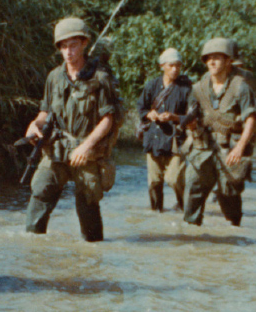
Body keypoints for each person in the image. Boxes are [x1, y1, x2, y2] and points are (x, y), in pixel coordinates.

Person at [23, 17, 122, 242]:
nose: (68, 51)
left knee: (88, 210)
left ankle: (93, 262)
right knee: (40, 193)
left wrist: (86, 147)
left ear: (84, 44)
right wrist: (34, 125)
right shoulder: (54, 77)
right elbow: (45, 111)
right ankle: (32, 254)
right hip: (56, 149)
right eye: (64, 46)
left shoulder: (100, 78)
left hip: (86, 152)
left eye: (73, 45)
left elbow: (108, 119)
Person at [182, 37, 256, 227]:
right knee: (192, 191)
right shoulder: (198, 88)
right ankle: (192, 237)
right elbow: (191, 115)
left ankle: (234, 232)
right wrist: (191, 125)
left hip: (229, 148)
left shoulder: (241, 87)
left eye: (217, 57)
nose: (212, 62)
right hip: (203, 148)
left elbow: (251, 118)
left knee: (229, 196)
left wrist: (240, 148)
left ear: (228, 61)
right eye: (208, 58)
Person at [136, 48, 192, 212]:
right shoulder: (152, 85)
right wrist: (150, 114)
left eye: (178, 66)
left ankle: (183, 206)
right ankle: (156, 212)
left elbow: (193, 115)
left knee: (174, 179)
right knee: (154, 182)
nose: (175, 69)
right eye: (171, 65)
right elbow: (141, 108)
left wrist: (174, 117)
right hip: (153, 139)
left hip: (176, 141)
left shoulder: (186, 88)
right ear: (162, 66)